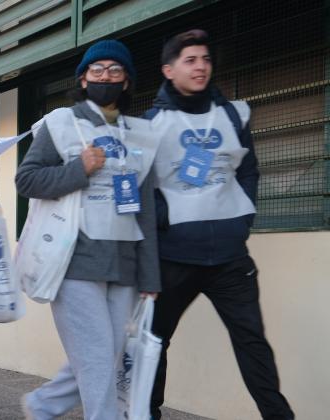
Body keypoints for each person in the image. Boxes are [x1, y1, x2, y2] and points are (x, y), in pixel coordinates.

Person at [145, 29, 293, 420]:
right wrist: (167, 223)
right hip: (173, 258)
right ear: (168, 69)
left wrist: (242, 221)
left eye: (205, 59)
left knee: (252, 342)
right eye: (190, 60)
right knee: (153, 344)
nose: (200, 67)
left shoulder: (233, 114)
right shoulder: (151, 124)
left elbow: (249, 171)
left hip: (229, 257)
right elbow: (145, 188)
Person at [15, 40, 160, 420]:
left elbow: (144, 209)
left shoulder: (140, 135)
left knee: (107, 356)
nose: (105, 77)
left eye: (115, 70)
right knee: (98, 360)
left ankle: (44, 405)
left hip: (124, 265)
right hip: (73, 261)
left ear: (126, 81)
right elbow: (26, 180)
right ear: (83, 80)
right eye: (97, 71)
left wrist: (150, 274)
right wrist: (79, 169)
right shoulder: (61, 123)